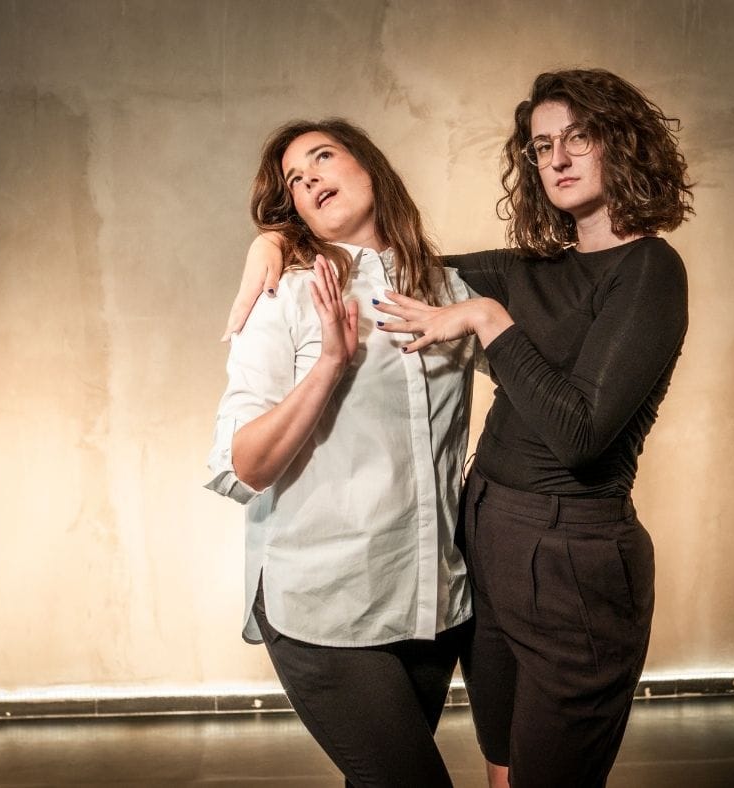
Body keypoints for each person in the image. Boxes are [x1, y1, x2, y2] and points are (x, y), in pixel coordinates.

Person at [225, 68, 692, 788]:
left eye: (578, 137)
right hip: (481, 549)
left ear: (621, 141)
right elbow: (388, 267)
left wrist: (488, 318)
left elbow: (581, 435)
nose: (558, 157)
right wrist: (274, 240)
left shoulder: (648, 268)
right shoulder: (525, 271)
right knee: (499, 767)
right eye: (542, 145)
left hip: (564, 555)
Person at [206, 119, 478, 788]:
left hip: (431, 600)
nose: (310, 179)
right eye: (295, 180)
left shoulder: (453, 291)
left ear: (370, 167)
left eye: (322, 157)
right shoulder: (285, 295)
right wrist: (331, 362)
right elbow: (245, 464)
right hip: (322, 602)